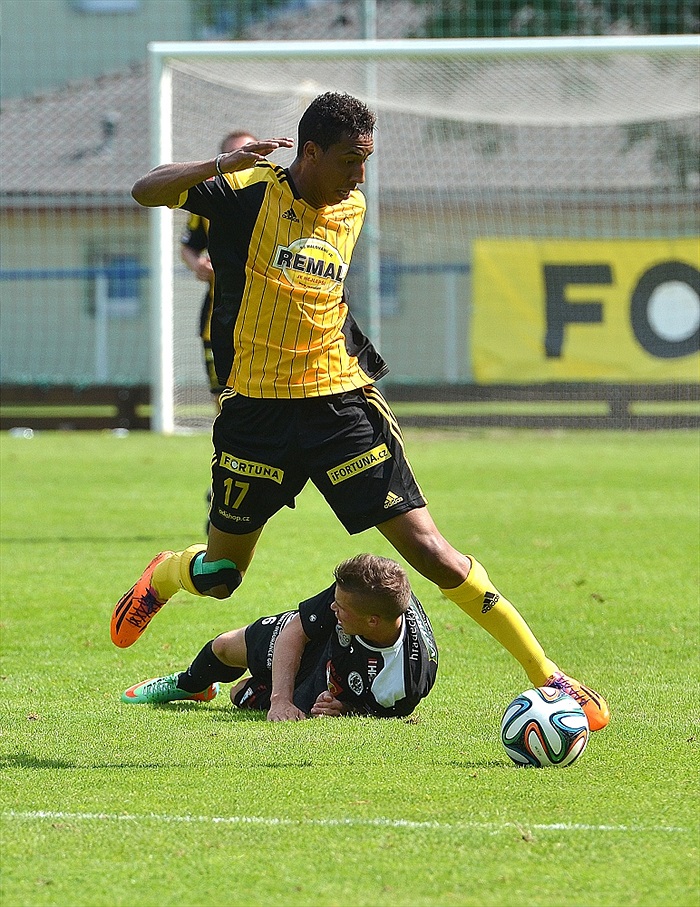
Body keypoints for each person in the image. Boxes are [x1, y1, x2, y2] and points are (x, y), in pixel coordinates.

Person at [115, 92, 609, 733]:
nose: (360, 176)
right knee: (219, 576)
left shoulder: (352, 204)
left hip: (338, 404)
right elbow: (144, 190)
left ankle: (549, 676)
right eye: (351, 160)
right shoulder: (245, 192)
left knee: (432, 552)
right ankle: (165, 576)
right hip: (257, 414)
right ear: (311, 152)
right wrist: (220, 163)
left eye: (367, 161)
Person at [121, 554, 438, 721]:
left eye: (340, 607)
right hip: (322, 638)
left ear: (372, 620)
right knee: (224, 646)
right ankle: (189, 685)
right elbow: (296, 630)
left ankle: (254, 687)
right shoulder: (372, 590)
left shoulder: (401, 682)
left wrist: (343, 707)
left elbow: (376, 714)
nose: (332, 606)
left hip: (329, 678)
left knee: (239, 695)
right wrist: (280, 700)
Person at [180, 129, 258, 413]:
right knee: (225, 400)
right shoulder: (210, 199)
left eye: (249, 154)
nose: (243, 161)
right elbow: (189, 246)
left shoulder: (276, 197)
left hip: (264, 320)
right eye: (235, 155)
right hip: (219, 318)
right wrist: (197, 264)